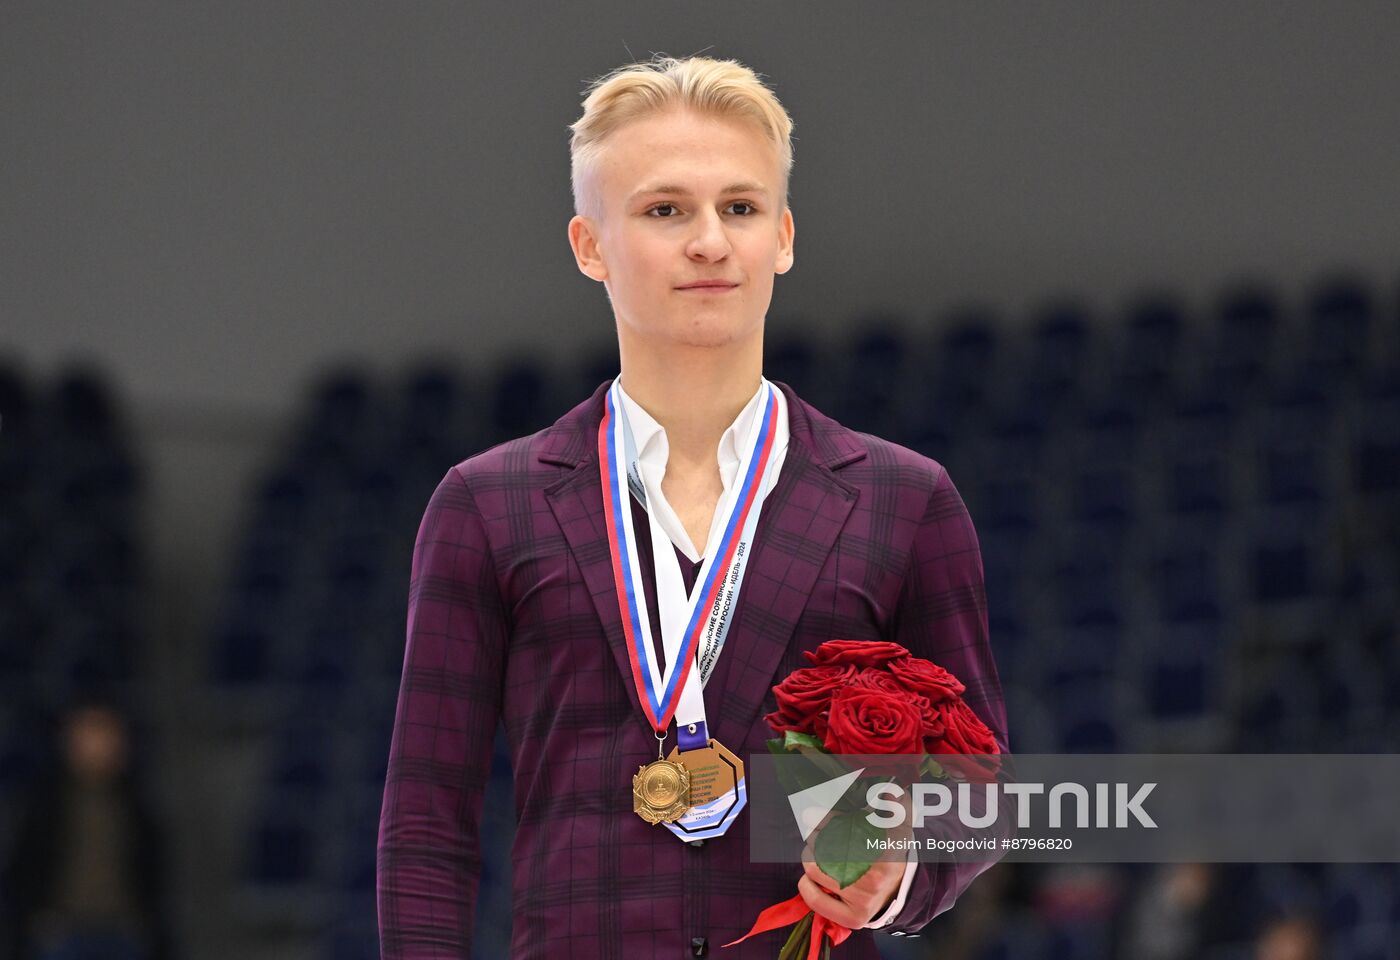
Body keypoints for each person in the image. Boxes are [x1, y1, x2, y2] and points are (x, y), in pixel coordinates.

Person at [376, 54, 1008, 959]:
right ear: (589, 245)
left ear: (783, 238)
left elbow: (981, 785)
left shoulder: (903, 501)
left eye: (740, 208)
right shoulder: (488, 505)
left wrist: (900, 875)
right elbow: (427, 827)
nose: (709, 240)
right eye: (664, 209)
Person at [3, 695, 171, 960]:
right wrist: (38, 922)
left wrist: (145, 925)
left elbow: (155, 875)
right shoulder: (44, 803)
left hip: (123, 932)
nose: (97, 744)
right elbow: (22, 869)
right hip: (61, 933)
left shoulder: (139, 805)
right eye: (89, 732)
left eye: (106, 732)